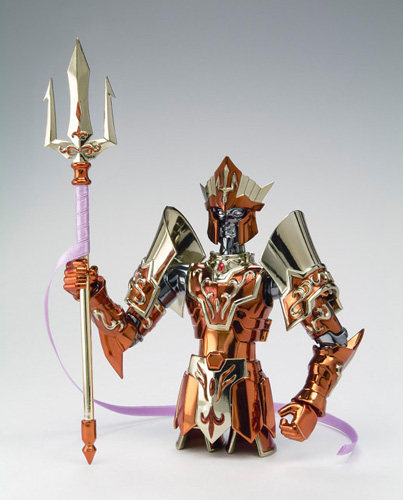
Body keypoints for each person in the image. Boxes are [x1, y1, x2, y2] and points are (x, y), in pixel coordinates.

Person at [64, 156, 363, 457]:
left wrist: (310, 402)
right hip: (197, 393)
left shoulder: (265, 278)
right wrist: (92, 293)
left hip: (248, 396)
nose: (227, 223)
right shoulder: (187, 274)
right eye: (219, 214)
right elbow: (127, 331)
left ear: (251, 216)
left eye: (236, 214)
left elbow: (334, 343)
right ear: (211, 216)